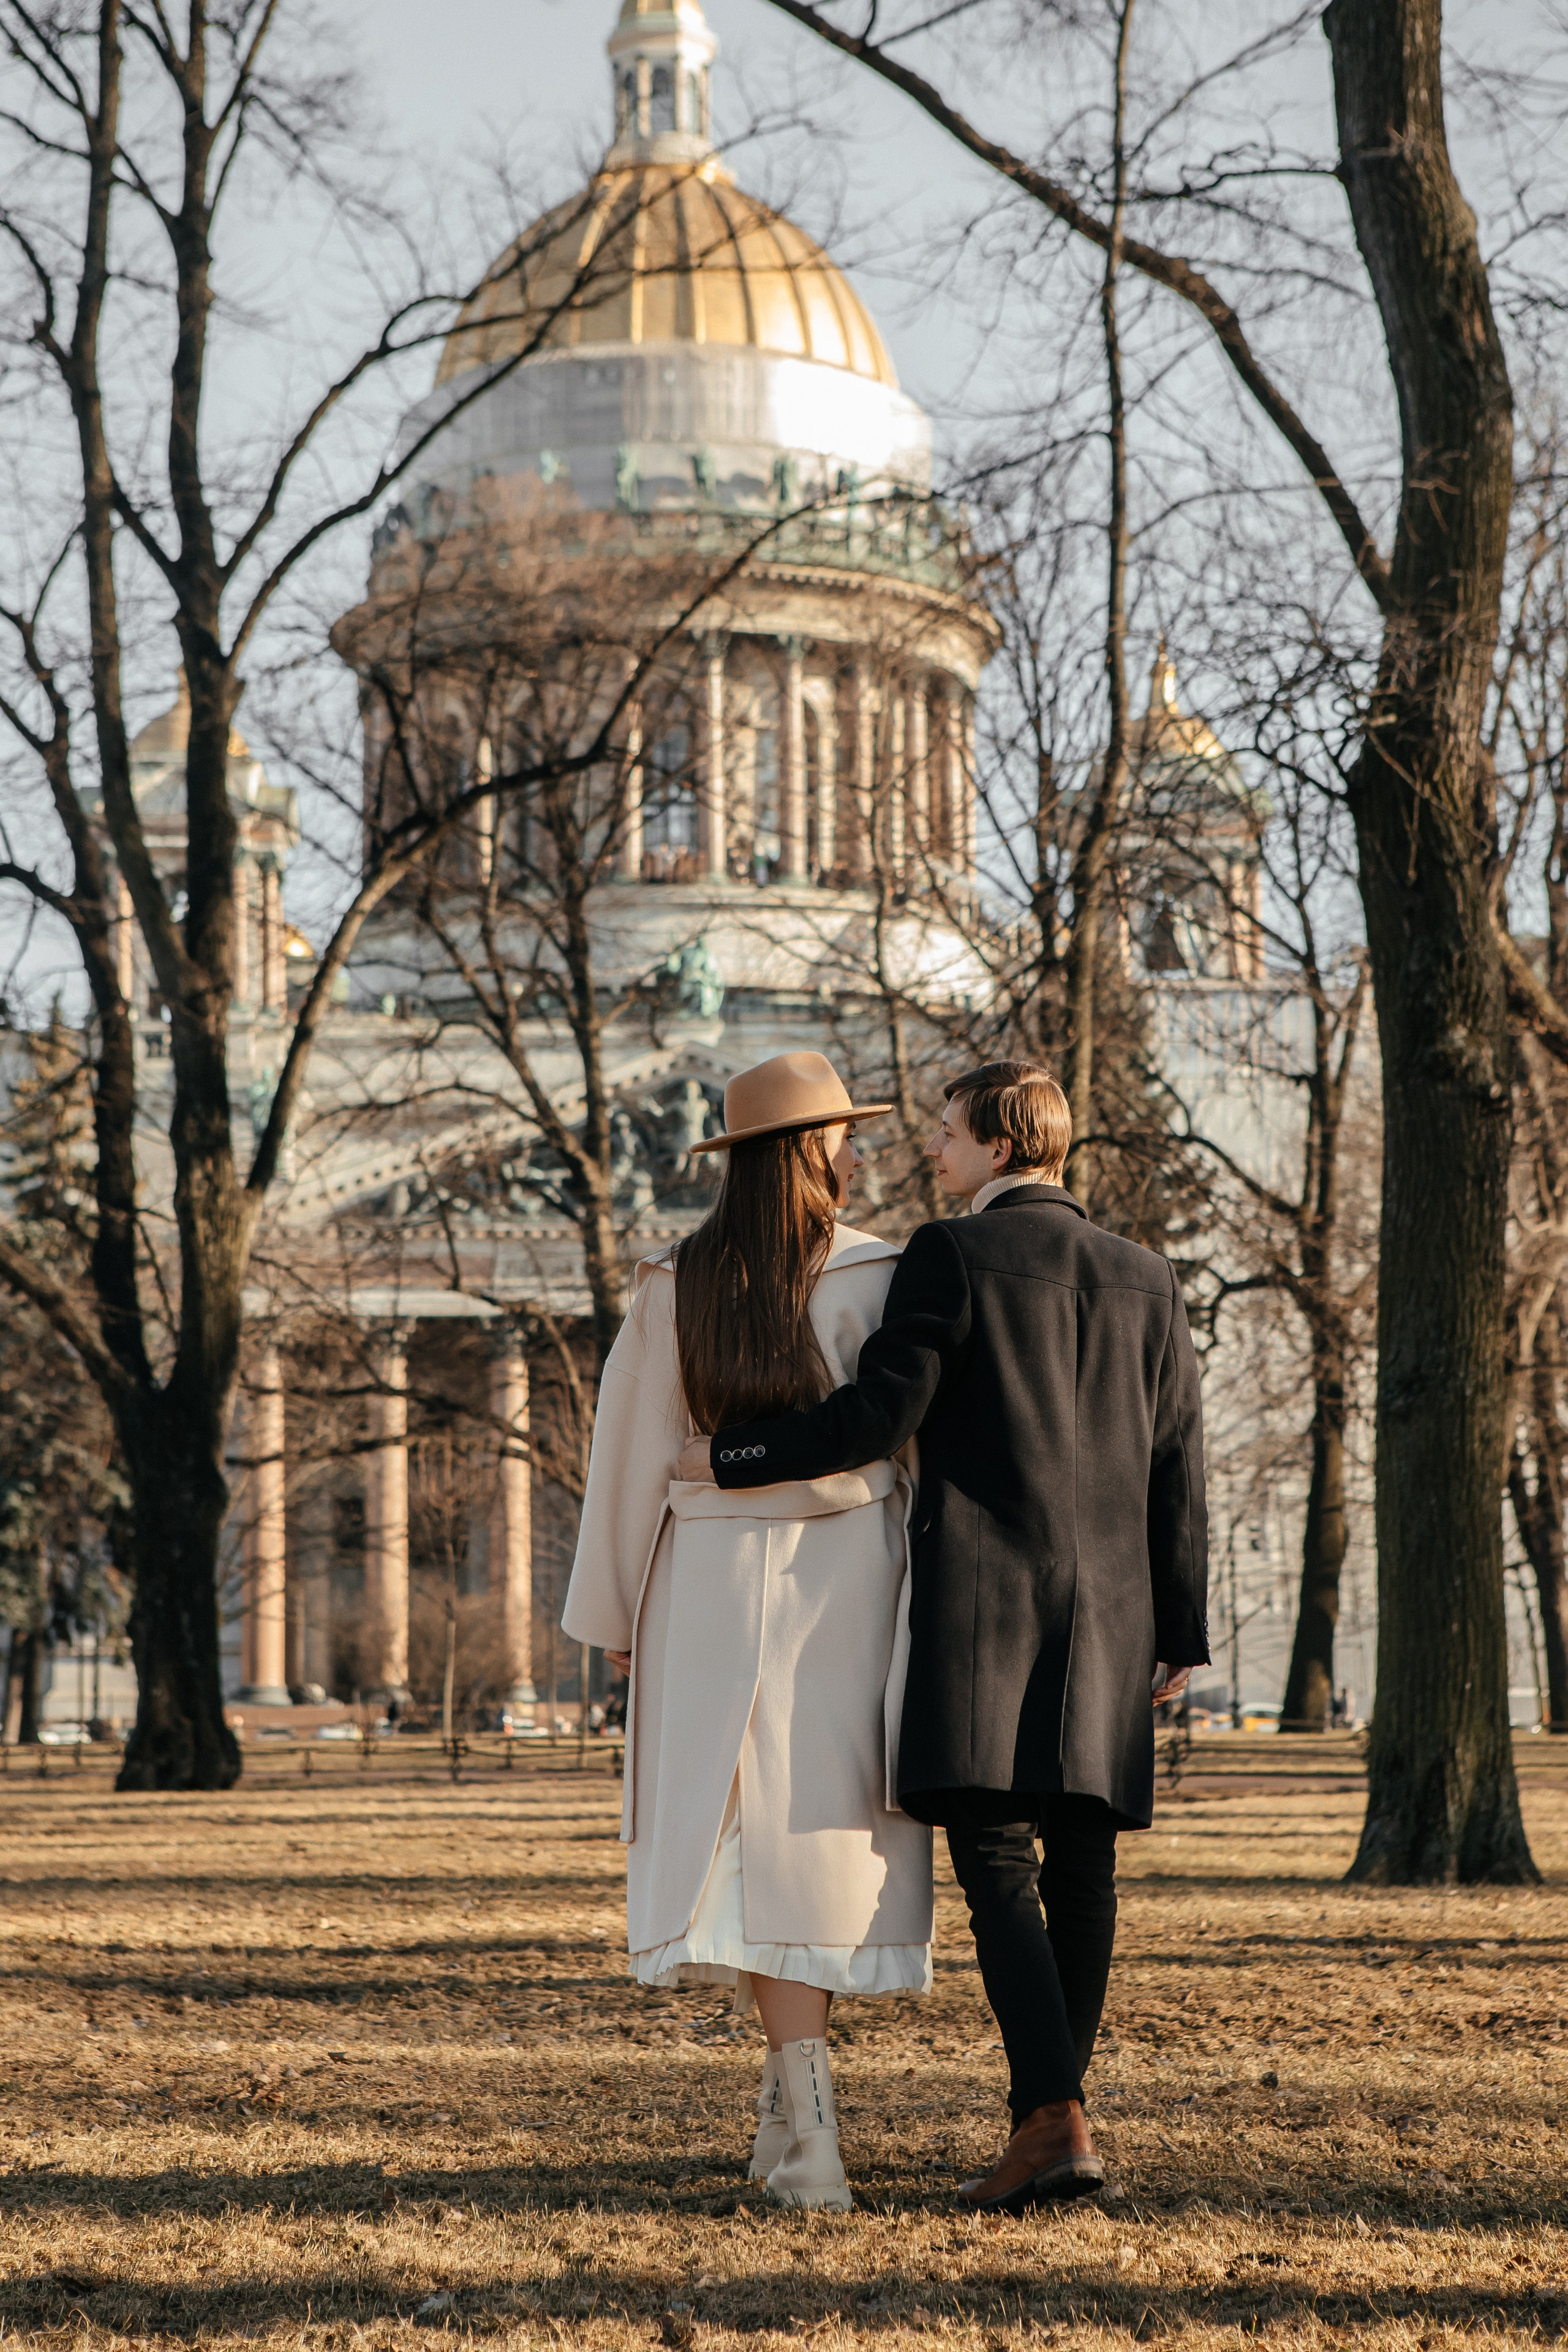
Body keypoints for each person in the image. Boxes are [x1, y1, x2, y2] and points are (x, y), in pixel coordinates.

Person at [679, 1061, 1208, 2215]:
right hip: (1115, 1615)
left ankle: (1054, 2121)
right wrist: (1182, 1625)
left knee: (1001, 1867)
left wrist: (733, 1456)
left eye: (949, 1131)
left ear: (999, 1146)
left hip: (988, 1611)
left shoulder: (951, 1257)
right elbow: (1178, 1462)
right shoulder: (1148, 1276)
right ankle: (1052, 2121)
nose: (933, 1147)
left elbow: (877, 1416)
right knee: (1085, 1872)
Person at [561, 1051, 934, 2211]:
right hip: (848, 1576)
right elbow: (913, 1447)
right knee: (810, 1841)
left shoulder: (677, 1285)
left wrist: (617, 1608)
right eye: (842, 1133)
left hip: (707, 1582)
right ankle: (802, 2134)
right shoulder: (877, 1276)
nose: (855, 1150)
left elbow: (629, 1456)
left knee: (734, 1845)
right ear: (812, 1149)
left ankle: (795, 2129)